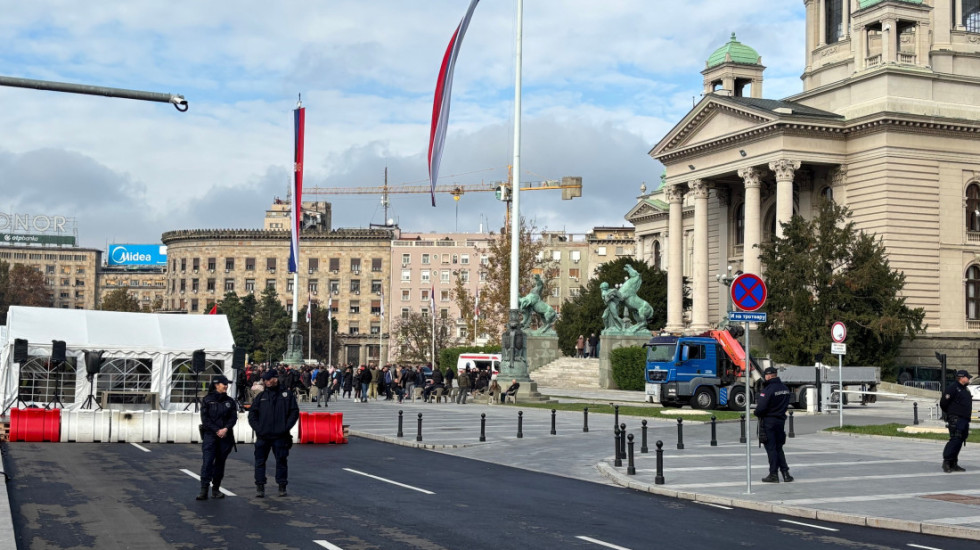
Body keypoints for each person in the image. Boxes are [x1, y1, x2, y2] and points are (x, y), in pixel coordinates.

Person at [248, 368, 299, 498]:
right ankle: (260, 486)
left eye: (269, 379)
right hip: (263, 436)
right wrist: (258, 429)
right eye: (265, 379)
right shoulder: (261, 396)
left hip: (280, 436)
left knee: (281, 461)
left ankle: (282, 486)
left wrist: (285, 427)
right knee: (260, 462)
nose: (266, 382)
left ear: (275, 378)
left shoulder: (287, 395)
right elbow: (252, 414)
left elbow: (294, 412)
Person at [196, 375, 237, 501]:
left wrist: (225, 429)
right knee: (207, 462)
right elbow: (205, 419)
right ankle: (204, 490)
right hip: (210, 436)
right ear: (216, 385)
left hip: (225, 436)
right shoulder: (207, 400)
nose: (226, 386)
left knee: (220, 464)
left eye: (226, 384)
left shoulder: (230, 401)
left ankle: (216, 489)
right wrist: (216, 430)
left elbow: (233, 418)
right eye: (223, 384)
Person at [754, 366, 793, 483]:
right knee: (778, 448)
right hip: (780, 421)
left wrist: (756, 413)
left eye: (766, 376)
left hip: (768, 422)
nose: (765, 378)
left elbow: (761, 408)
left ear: (769, 376)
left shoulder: (768, 390)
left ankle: (773, 474)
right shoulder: (785, 388)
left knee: (771, 449)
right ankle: (786, 474)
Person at [940, 370, 974, 472]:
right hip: (956, 418)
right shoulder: (953, 388)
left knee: (960, 440)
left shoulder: (965, 389)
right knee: (955, 439)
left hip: (964, 419)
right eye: (967, 377)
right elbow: (943, 403)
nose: (969, 379)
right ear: (961, 378)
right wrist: (951, 414)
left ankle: (954, 463)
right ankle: (947, 462)